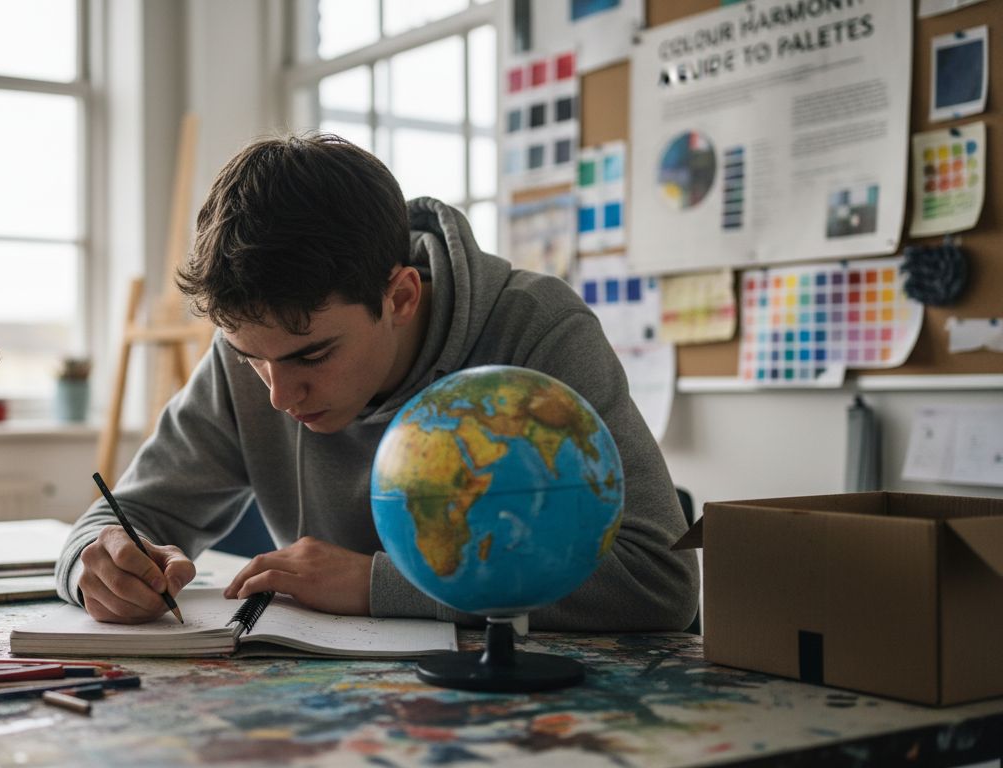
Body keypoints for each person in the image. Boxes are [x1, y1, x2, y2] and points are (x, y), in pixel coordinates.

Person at [55, 133, 699, 631]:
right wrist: (100, 564)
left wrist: (377, 584)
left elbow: (658, 581)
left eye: (312, 357)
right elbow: (123, 515)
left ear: (400, 297)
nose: (278, 395)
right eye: (251, 357)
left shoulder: (536, 329)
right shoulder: (256, 349)